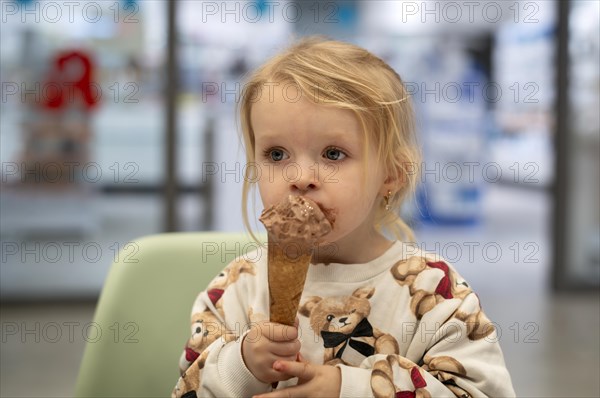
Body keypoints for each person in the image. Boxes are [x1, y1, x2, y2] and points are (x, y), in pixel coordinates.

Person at [172, 37, 515, 398]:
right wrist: (239, 366)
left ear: (391, 174)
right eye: (276, 154)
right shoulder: (235, 288)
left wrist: (351, 389)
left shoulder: (434, 292)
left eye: (333, 153)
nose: (300, 177)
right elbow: (187, 388)